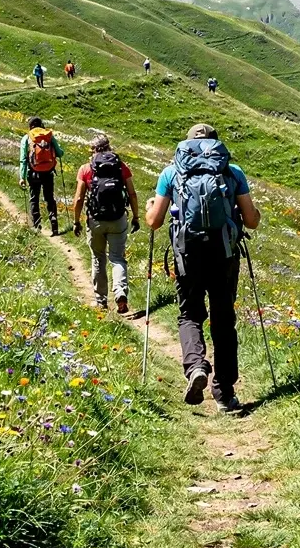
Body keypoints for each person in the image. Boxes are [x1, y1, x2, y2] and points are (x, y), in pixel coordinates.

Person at [145, 123, 260, 412]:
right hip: (224, 255)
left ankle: (196, 366)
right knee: (223, 319)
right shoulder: (232, 173)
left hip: (188, 255)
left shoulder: (172, 172)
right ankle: (224, 393)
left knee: (190, 314)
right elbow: (252, 220)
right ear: (216, 146)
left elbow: (154, 221)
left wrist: (150, 207)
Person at [72, 134, 141, 313]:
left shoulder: (86, 169)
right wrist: (136, 216)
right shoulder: (121, 167)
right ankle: (120, 293)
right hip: (118, 219)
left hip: (95, 220)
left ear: (93, 150)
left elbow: (79, 198)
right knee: (117, 258)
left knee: (98, 258)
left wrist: (76, 221)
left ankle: (101, 301)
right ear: (109, 147)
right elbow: (132, 194)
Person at [23, 116, 63, 234]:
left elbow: (23, 160)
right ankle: (54, 223)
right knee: (49, 198)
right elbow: (60, 153)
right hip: (48, 172)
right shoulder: (49, 136)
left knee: (34, 198)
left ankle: (37, 225)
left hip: (33, 173)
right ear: (42, 125)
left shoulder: (27, 138)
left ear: (30, 126)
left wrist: (22, 177)